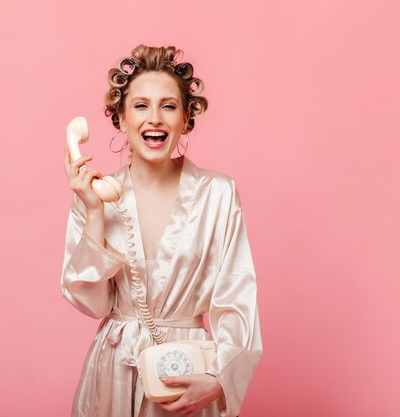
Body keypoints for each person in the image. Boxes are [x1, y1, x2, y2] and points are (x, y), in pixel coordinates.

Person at [61, 44, 263, 417]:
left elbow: (237, 298)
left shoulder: (218, 193)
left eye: (168, 106)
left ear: (186, 119)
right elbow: (93, 303)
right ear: (120, 119)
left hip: (187, 371)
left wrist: (220, 377)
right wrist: (92, 211)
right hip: (113, 371)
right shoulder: (97, 196)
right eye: (140, 106)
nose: (154, 118)